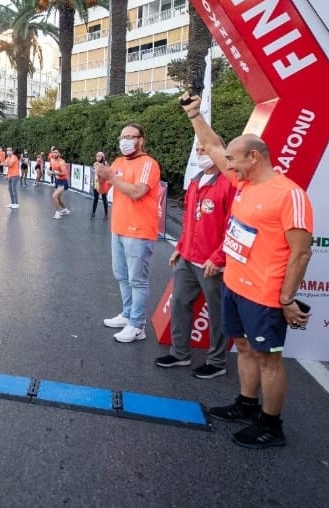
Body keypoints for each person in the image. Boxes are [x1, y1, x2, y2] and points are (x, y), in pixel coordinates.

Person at [182, 92, 314, 449]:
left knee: (268, 360)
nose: (229, 167)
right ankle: (246, 403)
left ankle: (271, 425)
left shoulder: (289, 194)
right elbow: (212, 145)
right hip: (236, 287)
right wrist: (194, 114)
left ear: (254, 157)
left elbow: (301, 253)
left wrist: (287, 299)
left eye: (235, 161)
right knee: (241, 346)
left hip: (265, 294)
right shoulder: (244, 183)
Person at [157, 141, 233, 379]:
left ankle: (217, 361)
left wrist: (219, 257)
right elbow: (190, 222)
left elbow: (234, 226)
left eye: (206, 149)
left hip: (212, 263)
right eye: (199, 150)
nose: (201, 153)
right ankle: (180, 353)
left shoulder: (228, 184)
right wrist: (180, 247)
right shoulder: (195, 181)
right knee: (179, 302)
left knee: (217, 312)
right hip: (188, 258)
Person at [95, 124, 161, 343]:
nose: (125, 141)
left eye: (129, 137)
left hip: (139, 231)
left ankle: (137, 325)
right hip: (119, 228)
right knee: (121, 275)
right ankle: (127, 314)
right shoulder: (118, 162)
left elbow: (137, 192)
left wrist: (110, 177)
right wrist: (101, 176)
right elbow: (102, 190)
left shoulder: (148, 164)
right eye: (122, 137)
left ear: (140, 140)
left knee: (137, 280)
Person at [50, 149, 70, 219]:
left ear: (59, 154)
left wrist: (54, 173)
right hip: (57, 181)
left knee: (54, 196)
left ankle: (57, 213)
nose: (54, 154)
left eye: (56, 153)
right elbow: (52, 170)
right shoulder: (52, 160)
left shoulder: (62, 162)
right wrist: (50, 173)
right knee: (58, 198)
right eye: (53, 153)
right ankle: (65, 210)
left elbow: (64, 173)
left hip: (63, 181)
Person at [90, 151, 110, 219]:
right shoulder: (95, 163)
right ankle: (93, 213)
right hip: (96, 182)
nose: (97, 157)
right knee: (95, 198)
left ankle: (106, 214)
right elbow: (94, 172)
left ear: (102, 157)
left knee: (104, 199)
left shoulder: (105, 163)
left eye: (99, 156)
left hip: (103, 183)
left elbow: (108, 172)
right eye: (97, 156)